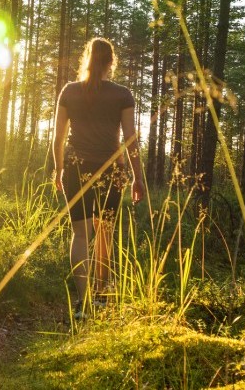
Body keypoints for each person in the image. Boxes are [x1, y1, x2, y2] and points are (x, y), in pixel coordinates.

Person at [52, 37, 146, 318]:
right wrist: (137, 177)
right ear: (110, 63)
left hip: (75, 170)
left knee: (80, 234)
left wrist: (58, 169)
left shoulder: (69, 91)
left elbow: (58, 138)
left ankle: (83, 303)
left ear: (87, 60)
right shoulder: (122, 95)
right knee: (105, 232)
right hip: (111, 171)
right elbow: (130, 139)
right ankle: (101, 297)